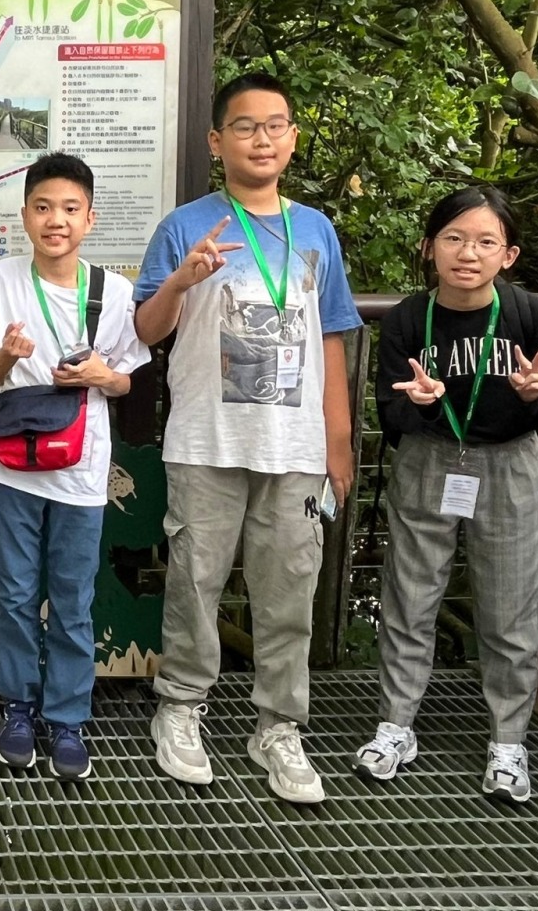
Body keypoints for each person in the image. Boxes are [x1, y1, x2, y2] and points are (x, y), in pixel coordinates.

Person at [134, 72, 362, 806]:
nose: (261, 139)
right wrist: (182, 279)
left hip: (294, 446)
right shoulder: (185, 225)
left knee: (290, 588)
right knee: (194, 581)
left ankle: (279, 726)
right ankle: (181, 707)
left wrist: (337, 443)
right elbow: (146, 331)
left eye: (275, 125)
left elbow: (332, 338)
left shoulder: (316, 230)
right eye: (244, 126)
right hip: (206, 438)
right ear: (216, 141)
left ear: (292, 138)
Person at [360, 187, 538, 801]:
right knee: (410, 597)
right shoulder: (408, 318)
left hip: (511, 466)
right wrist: (422, 405)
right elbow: (390, 411)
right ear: (430, 247)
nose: (468, 253)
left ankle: (509, 741)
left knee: (510, 607)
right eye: (454, 238)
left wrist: (534, 396)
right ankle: (396, 726)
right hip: (429, 459)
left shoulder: (530, 316)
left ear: (508, 255)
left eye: (485, 241)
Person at [0, 154, 150, 779]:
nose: (56, 221)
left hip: (82, 469)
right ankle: (18, 708)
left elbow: (126, 381)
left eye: (70, 209)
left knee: (73, 598)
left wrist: (103, 375)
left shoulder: (113, 291)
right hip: (13, 466)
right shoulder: (1, 279)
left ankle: (69, 717)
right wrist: (7, 355)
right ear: (25, 215)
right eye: (44, 208)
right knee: (17, 592)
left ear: (90, 219)